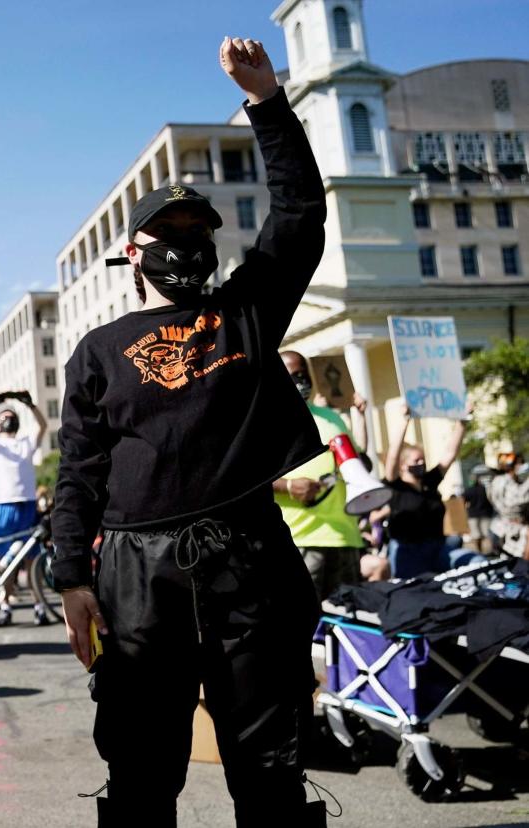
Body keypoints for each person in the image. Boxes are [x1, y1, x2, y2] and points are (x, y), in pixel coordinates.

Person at [53, 38, 329, 826]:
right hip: (137, 574)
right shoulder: (97, 353)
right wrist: (73, 577)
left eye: (197, 229)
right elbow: (79, 473)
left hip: (248, 557)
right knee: (141, 772)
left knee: (269, 765)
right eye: (168, 230)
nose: (187, 242)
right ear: (132, 252)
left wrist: (267, 103)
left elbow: (301, 215)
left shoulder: (243, 312)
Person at [274, 352, 368, 602]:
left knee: (350, 623)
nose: (301, 380)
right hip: (298, 538)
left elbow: (355, 462)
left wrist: (359, 416)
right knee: (302, 624)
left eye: (304, 374)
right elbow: (246, 475)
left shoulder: (332, 417)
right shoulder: (264, 419)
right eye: (292, 376)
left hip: (343, 536)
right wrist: (290, 486)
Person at [373, 402, 476, 578]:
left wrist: (462, 421)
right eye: (416, 461)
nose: (421, 464)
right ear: (403, 465)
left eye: (423, 460)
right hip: (407, 553)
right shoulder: (396, 486)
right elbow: (392, 457)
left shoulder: (430, 481)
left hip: (438, 549)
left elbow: (450, 453)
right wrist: (404, 421)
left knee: (476, 563)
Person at [0, 390, 51, 626]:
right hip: (2, 506)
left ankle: (39, 605)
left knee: (31, 559)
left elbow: (42, 425)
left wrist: (29, 404)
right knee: (1, 560)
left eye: (11, 415)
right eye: (4, 415)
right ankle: (5, 603)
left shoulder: (25, 442)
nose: (8, 419)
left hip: (26, 505)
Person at [488, 453, 529, 557]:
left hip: (512, 527)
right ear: (511, 465)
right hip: (507, 529)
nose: (522, 465)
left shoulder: (511, 480)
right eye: (520, 463)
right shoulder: (502, 481)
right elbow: (517, 500)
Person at [463, 465, 496, 554]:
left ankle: (479, 551)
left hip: (473, 515)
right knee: (487, 534)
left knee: (476, 535)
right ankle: (491, 550)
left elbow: (464, 503)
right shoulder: (484, 489)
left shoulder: (468, 490)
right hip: (485, 514)